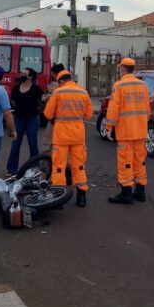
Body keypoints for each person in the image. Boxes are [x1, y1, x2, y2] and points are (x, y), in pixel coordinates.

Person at [43, 70, 93, 207]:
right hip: (78, 136)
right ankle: (81, 197)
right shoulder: (83, 92)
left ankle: (59, 198)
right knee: (79, 166)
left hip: (61, 136)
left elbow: (47, 114)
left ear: (61, 82)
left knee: (59, 167)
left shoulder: (58, 93)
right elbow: (88, 115)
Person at [105, 57, 150, 205]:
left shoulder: (119, 86)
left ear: (123, 69)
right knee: (140, 161)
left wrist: (109, 128)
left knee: (126, 161)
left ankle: (126, 193)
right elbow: (147, 109)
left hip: (126, 131)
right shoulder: (143, 85)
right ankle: (141, 191)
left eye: (120, 68)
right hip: (140, 130)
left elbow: (112, 110)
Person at [6, 67, 44, 176]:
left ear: (30, 76)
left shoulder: (36, 89)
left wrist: (39, 110)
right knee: (15, 144)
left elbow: (43, 100)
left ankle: (34, 169)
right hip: (18, 119)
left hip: (32, 119)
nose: (22, 75)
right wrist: (17, 109)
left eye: (25, 74)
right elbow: (12, 100)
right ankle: (11, 170)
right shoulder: (16, 88)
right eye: (21, 73)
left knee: (33, 144)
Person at [40, 63, 66, 148]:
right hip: (69, 124)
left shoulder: (60, 85)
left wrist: (48, 98)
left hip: (56, 120)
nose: (53, 77)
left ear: (57, 74)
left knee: (51, 145)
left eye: (53, 74)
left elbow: (48, 113)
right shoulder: (70, 84)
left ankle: (49, 160)